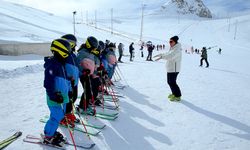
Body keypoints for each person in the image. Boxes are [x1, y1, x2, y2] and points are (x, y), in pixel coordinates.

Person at [43, 38, 72, 147]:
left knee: (59, 115)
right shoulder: (52, 64)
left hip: (62, 96)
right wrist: (53, 95)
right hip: (54, 96)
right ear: (60, 50)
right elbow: (48, 83)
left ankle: (51, 132)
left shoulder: (60, 64)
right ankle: (48, 136)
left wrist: (69, 90)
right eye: (67, 50)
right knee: (56, 115)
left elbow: (64, 80)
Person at [154, 36, 182, 101]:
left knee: (172, 82)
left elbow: (170, 56)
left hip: (174, 69)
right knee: (169, 82)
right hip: (170, 68)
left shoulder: (177, 49)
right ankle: (174, 94)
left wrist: (161, 57)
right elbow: (167, 53)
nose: (170, 43)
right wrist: (160, 54)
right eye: (169, 41)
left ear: (175, 42)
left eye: (171, 41)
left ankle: (178, 96)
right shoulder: (173, 48)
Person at [60, 34, 79, 127]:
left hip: (74, 82)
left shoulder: (72, 55)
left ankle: (68, 113)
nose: (74, 45)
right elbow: (61, 69)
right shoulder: (64, 55)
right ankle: (63, 116)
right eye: (72, 43)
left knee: (74, 97)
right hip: (67, 82)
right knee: (67, 100)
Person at [76, 36, 98, 115]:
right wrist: (83, 71)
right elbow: (77, 64)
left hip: (89, 75)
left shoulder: (90, 53)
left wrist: (94, 71)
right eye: (93, 48)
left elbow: (92, 63)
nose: (94, 49)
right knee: (87, 90)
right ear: (89, 45)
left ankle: (85, 105)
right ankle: (82, 107)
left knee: (89, 90)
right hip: (84, 75)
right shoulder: (82, 53)